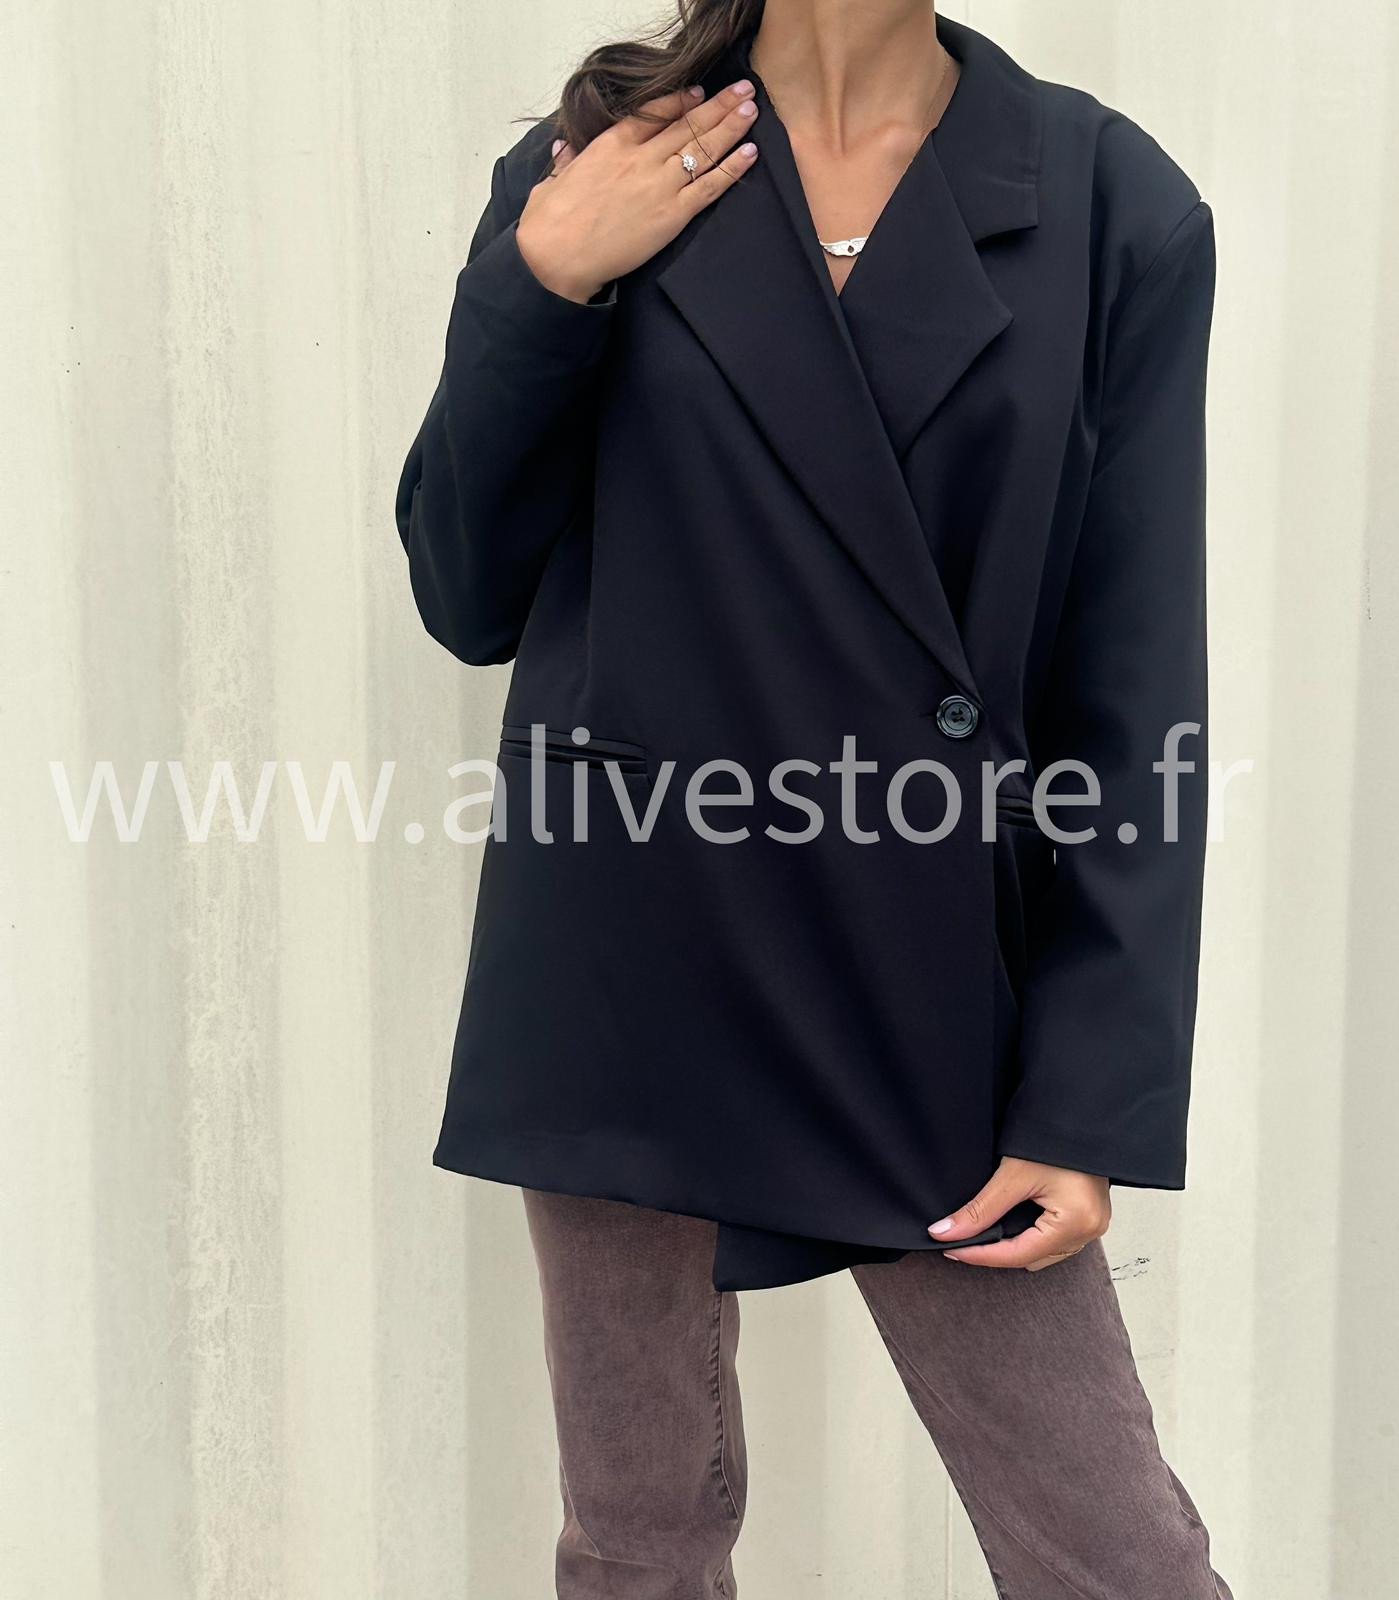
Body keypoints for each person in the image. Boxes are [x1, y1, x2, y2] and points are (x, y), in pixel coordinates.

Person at [396, 1, 1227, 1594]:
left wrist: (1086, 1097)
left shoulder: (1107, 200)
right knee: (637, 1543)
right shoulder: (601, 162)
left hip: (922, 958)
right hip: (631, 942)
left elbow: (1133, 688)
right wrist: (542, 278)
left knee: (1116, 1559)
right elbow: (465, 588)